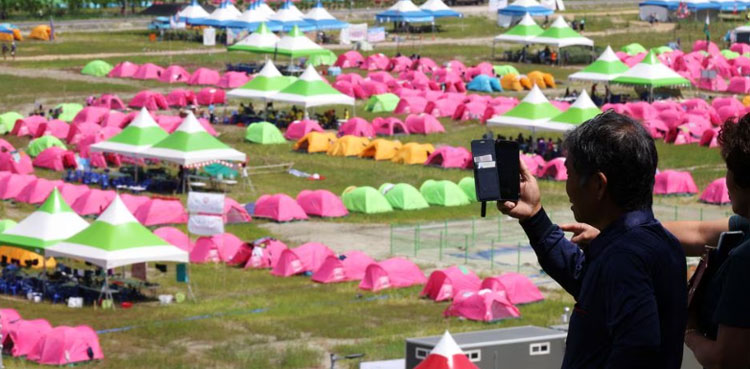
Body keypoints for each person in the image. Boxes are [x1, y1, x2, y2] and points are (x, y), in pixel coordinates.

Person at [497, 111, 687, 369]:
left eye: (570, 174)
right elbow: (585, 278)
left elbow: (639, 350)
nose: (568, 186)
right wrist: (534, 218)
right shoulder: (656, 244)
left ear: (598, 185)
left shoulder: (625, 259)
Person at [566, 114, 750, 368]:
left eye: (729, 167)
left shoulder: (744, 261)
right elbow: (698, 232)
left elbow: (726, 360)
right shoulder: (742, 229)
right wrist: (618, 233)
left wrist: (690, 330)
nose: (726, 180)